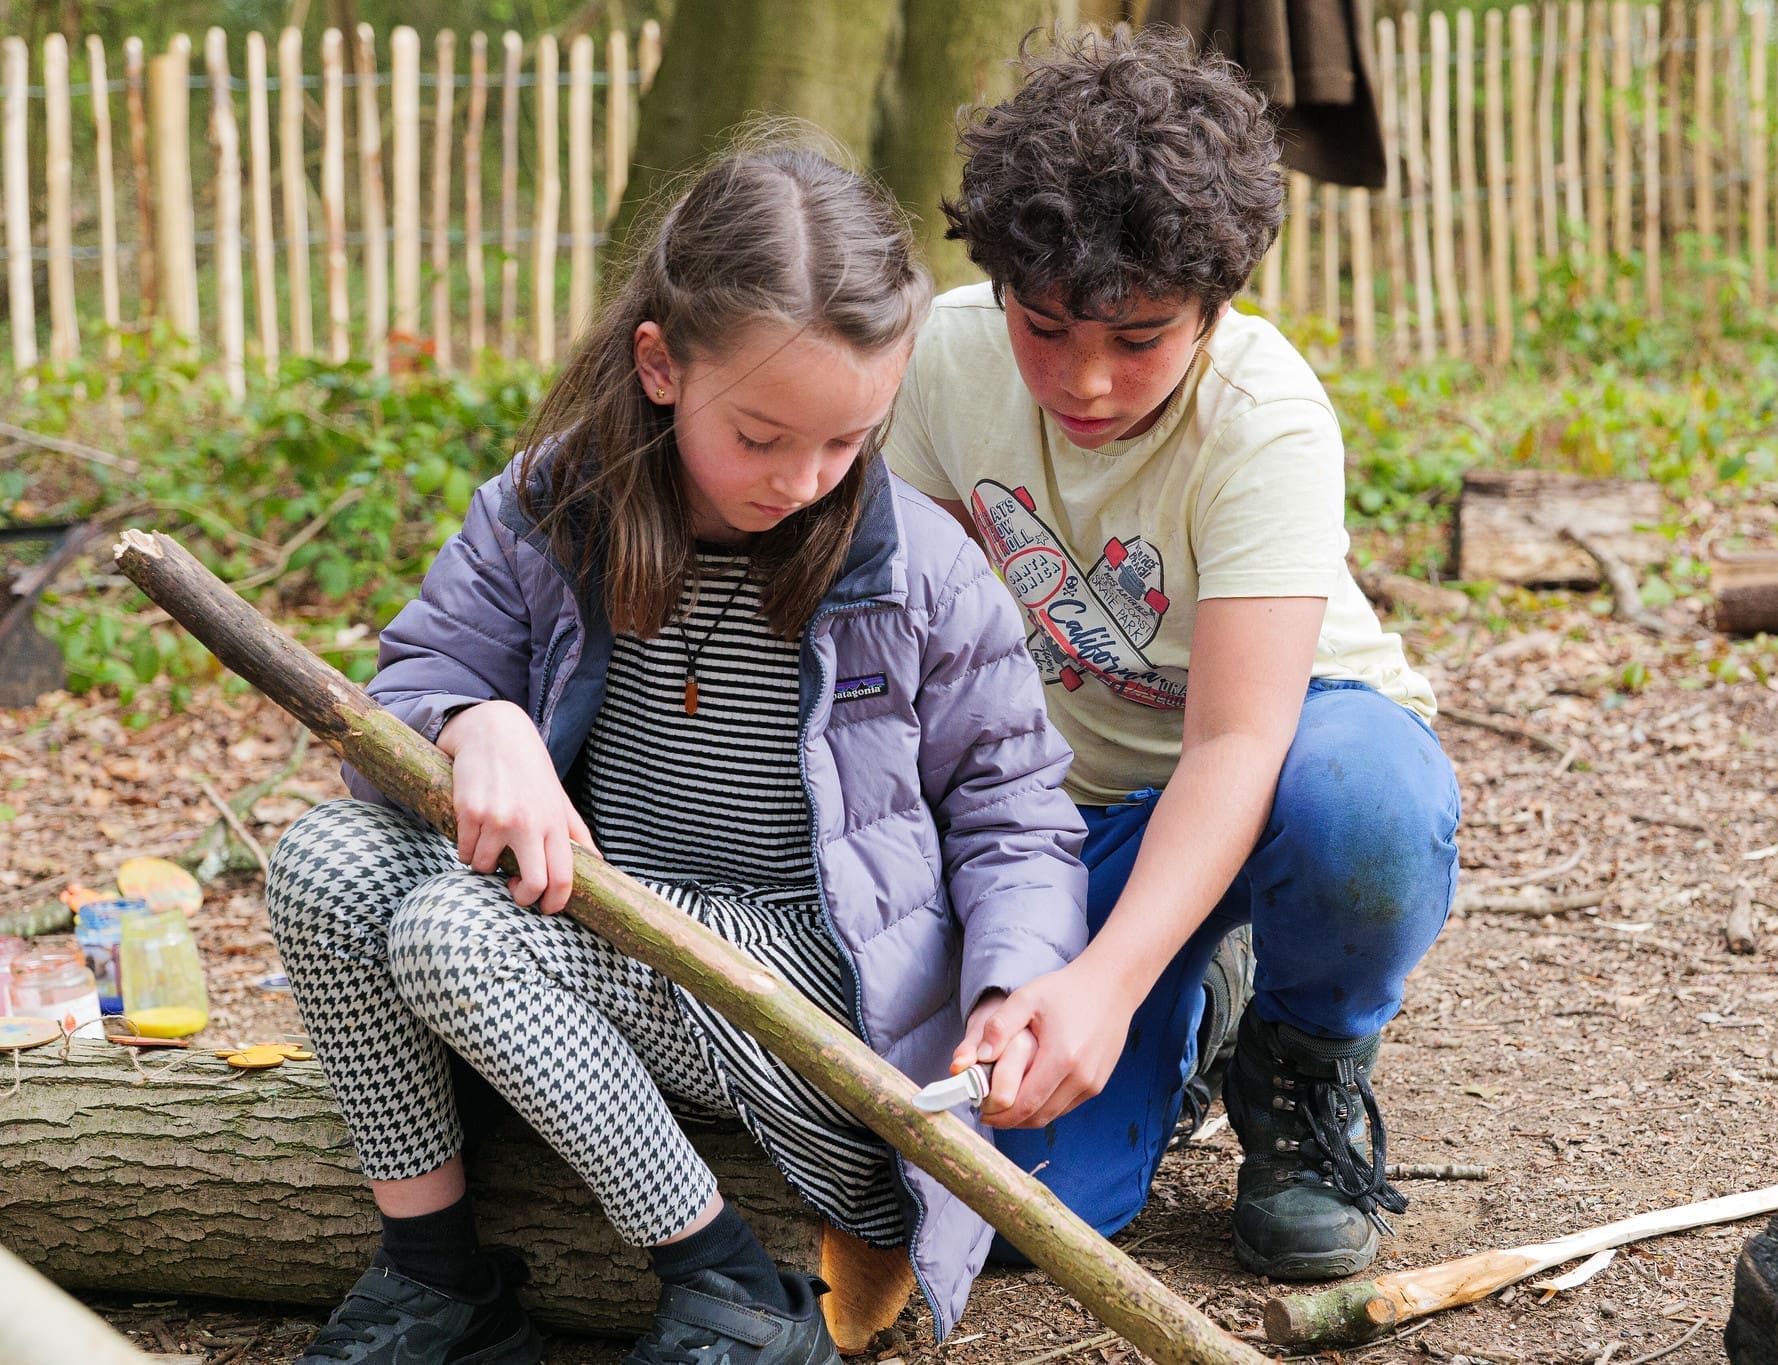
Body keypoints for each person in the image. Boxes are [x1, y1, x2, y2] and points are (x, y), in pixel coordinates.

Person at [264, 140, 1092, 1365]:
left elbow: (1011, 807)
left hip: (815, 982)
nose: (802, 481)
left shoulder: (917, 569)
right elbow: (412, 689)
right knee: (323, 861)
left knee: (451, 926)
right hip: (596, 944)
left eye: (844, 442)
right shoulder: (552, 505)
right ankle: (437, 1276)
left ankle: (731, 1283)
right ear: (659, 364)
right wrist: (470, 721)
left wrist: (1014, 982)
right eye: (759, 436)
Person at [885, 28, 1461, 1282]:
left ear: (1215, 302)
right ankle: (1196, 1009)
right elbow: (917, 660)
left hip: (1283, 770)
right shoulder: (938, 358)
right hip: (1066, 813)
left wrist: (1097, 984)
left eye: (1137, 338)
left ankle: (1304, 1065)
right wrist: (1003, 943)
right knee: (1020, 1210)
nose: (1084, 380)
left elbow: (1238, 741)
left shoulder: (1263, 421)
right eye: (1042, 328)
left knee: (1363, 809)